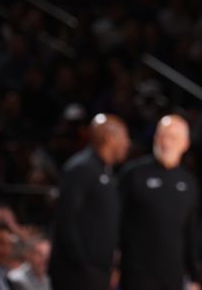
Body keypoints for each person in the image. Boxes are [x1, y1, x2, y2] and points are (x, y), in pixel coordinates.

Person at [119, 115, 200, 290]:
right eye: (162, 136)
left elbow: (190, 232)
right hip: (135, 275)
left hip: (172, 277)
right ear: (155, 138)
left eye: (173, 138)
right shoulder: (133, 174)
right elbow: (113, 223)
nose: (166, 143)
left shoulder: (189, 183)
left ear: (185, 143)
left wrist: (195, 276)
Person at [49, 114, 129, 290]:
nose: (127, 144)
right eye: (124, 137)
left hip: (95, 272)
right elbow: (66, 219)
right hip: (78, 274)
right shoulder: (81, 168)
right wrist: (82, 263)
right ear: (109, 137)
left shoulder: (105, 172)